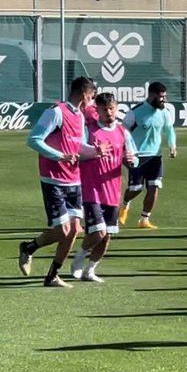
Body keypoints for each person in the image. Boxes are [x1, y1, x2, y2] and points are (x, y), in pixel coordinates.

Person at [18, 76, 105, 287]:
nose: (92, 101)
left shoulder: (80, 117)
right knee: (64, 230)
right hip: (53, 179)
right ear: (85, 94)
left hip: (73, 180)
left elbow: (78, 147)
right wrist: (60, 156)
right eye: (92, 97)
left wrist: (95, 152)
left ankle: (52, 275)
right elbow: (34, 140)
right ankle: (29, 248)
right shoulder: (55, 112)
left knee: (75, 230)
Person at [70, 92, 139, 282]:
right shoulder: (89, 131)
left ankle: (90, 270)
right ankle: (79, 257)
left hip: (113, 191)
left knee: (107, 235)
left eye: (112, 108)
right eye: (104, 109)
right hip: (91, 189)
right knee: (99, 231)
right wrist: (93, 153)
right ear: (97, 111)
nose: (109, 112)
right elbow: (77, 153)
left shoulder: (123, 132)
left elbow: (134, 158)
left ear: (116, 109)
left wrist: (131, 161)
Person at [119, 82, 177, 229]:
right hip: (137, 155)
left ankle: (144, 219)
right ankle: (125, 204)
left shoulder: (164, 112)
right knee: (136, 189)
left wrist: (172, 146)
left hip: (155, 157)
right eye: (161, 97)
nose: (164, 99)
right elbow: (123, 131)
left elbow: (169, 130)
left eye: (165, 96)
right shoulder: (136, 112)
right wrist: (127, 150)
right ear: (152, 95)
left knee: (154, 186)